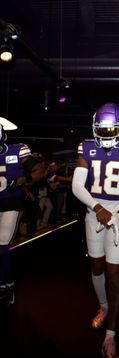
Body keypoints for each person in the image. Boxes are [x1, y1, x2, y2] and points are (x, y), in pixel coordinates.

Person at [72, 102, 119, 358]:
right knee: (97, 268)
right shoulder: (87, 147)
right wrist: (98, 208)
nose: (107, 133)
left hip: (118, 216)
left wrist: (118, 213)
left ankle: (110, 336)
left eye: (112, 128)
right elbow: (78, 186)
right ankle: (103, 305)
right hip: (94, 211)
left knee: (116, 277)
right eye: (102, 129)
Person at [0, 117, 47, 308]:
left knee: (2, 245)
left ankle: (7, 285)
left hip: (11, 203)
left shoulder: (17, 151)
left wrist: (23, 179)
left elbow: (40, 170)